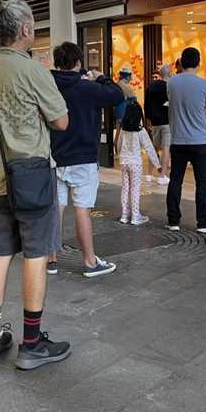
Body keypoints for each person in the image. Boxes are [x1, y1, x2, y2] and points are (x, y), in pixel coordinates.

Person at [0, 0, 71, 370]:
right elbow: (61, 121)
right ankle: (31, 343)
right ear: (25, 31)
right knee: (34, 253)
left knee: (0, 252)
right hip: (32, 175)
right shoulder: (33, 70)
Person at [48, 41, 124, 277]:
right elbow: (117, 95)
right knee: (82, 209)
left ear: (57, 62)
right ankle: (90, 262)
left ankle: (50, 259)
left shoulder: (49, 85)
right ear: (78, 62)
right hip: (83, 157)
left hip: (55, 155)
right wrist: (101, 78)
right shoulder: (86, 87)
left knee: (56, 208)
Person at [165, 47, 206, 234]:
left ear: (181, 62)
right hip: (200, 141)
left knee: (175, 181)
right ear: (198, 62)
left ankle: (173, 220)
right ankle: (203, 223)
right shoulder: (204, 84)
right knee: (202, 183)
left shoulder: (171, 83)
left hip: (178, 141)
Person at [116, 101, 161, 225]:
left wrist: (120, 155)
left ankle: (124, 215)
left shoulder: (123, 130)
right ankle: (135, 216)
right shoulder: (141, 131)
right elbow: (149, 148)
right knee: (135, 189)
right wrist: (157, 165)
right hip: (135, 163)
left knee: (125, 188)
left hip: (124, 162)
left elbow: (119, 144)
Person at [144, 64, 172, 185]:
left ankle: (149, 174)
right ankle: (162, 175)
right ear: (169, 74)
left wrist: (149, 119)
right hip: (166, 122)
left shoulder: (151, 86)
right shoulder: (169, 87)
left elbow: (147, 105)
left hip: (154, 122)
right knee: (166, 148)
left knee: (154, 147)